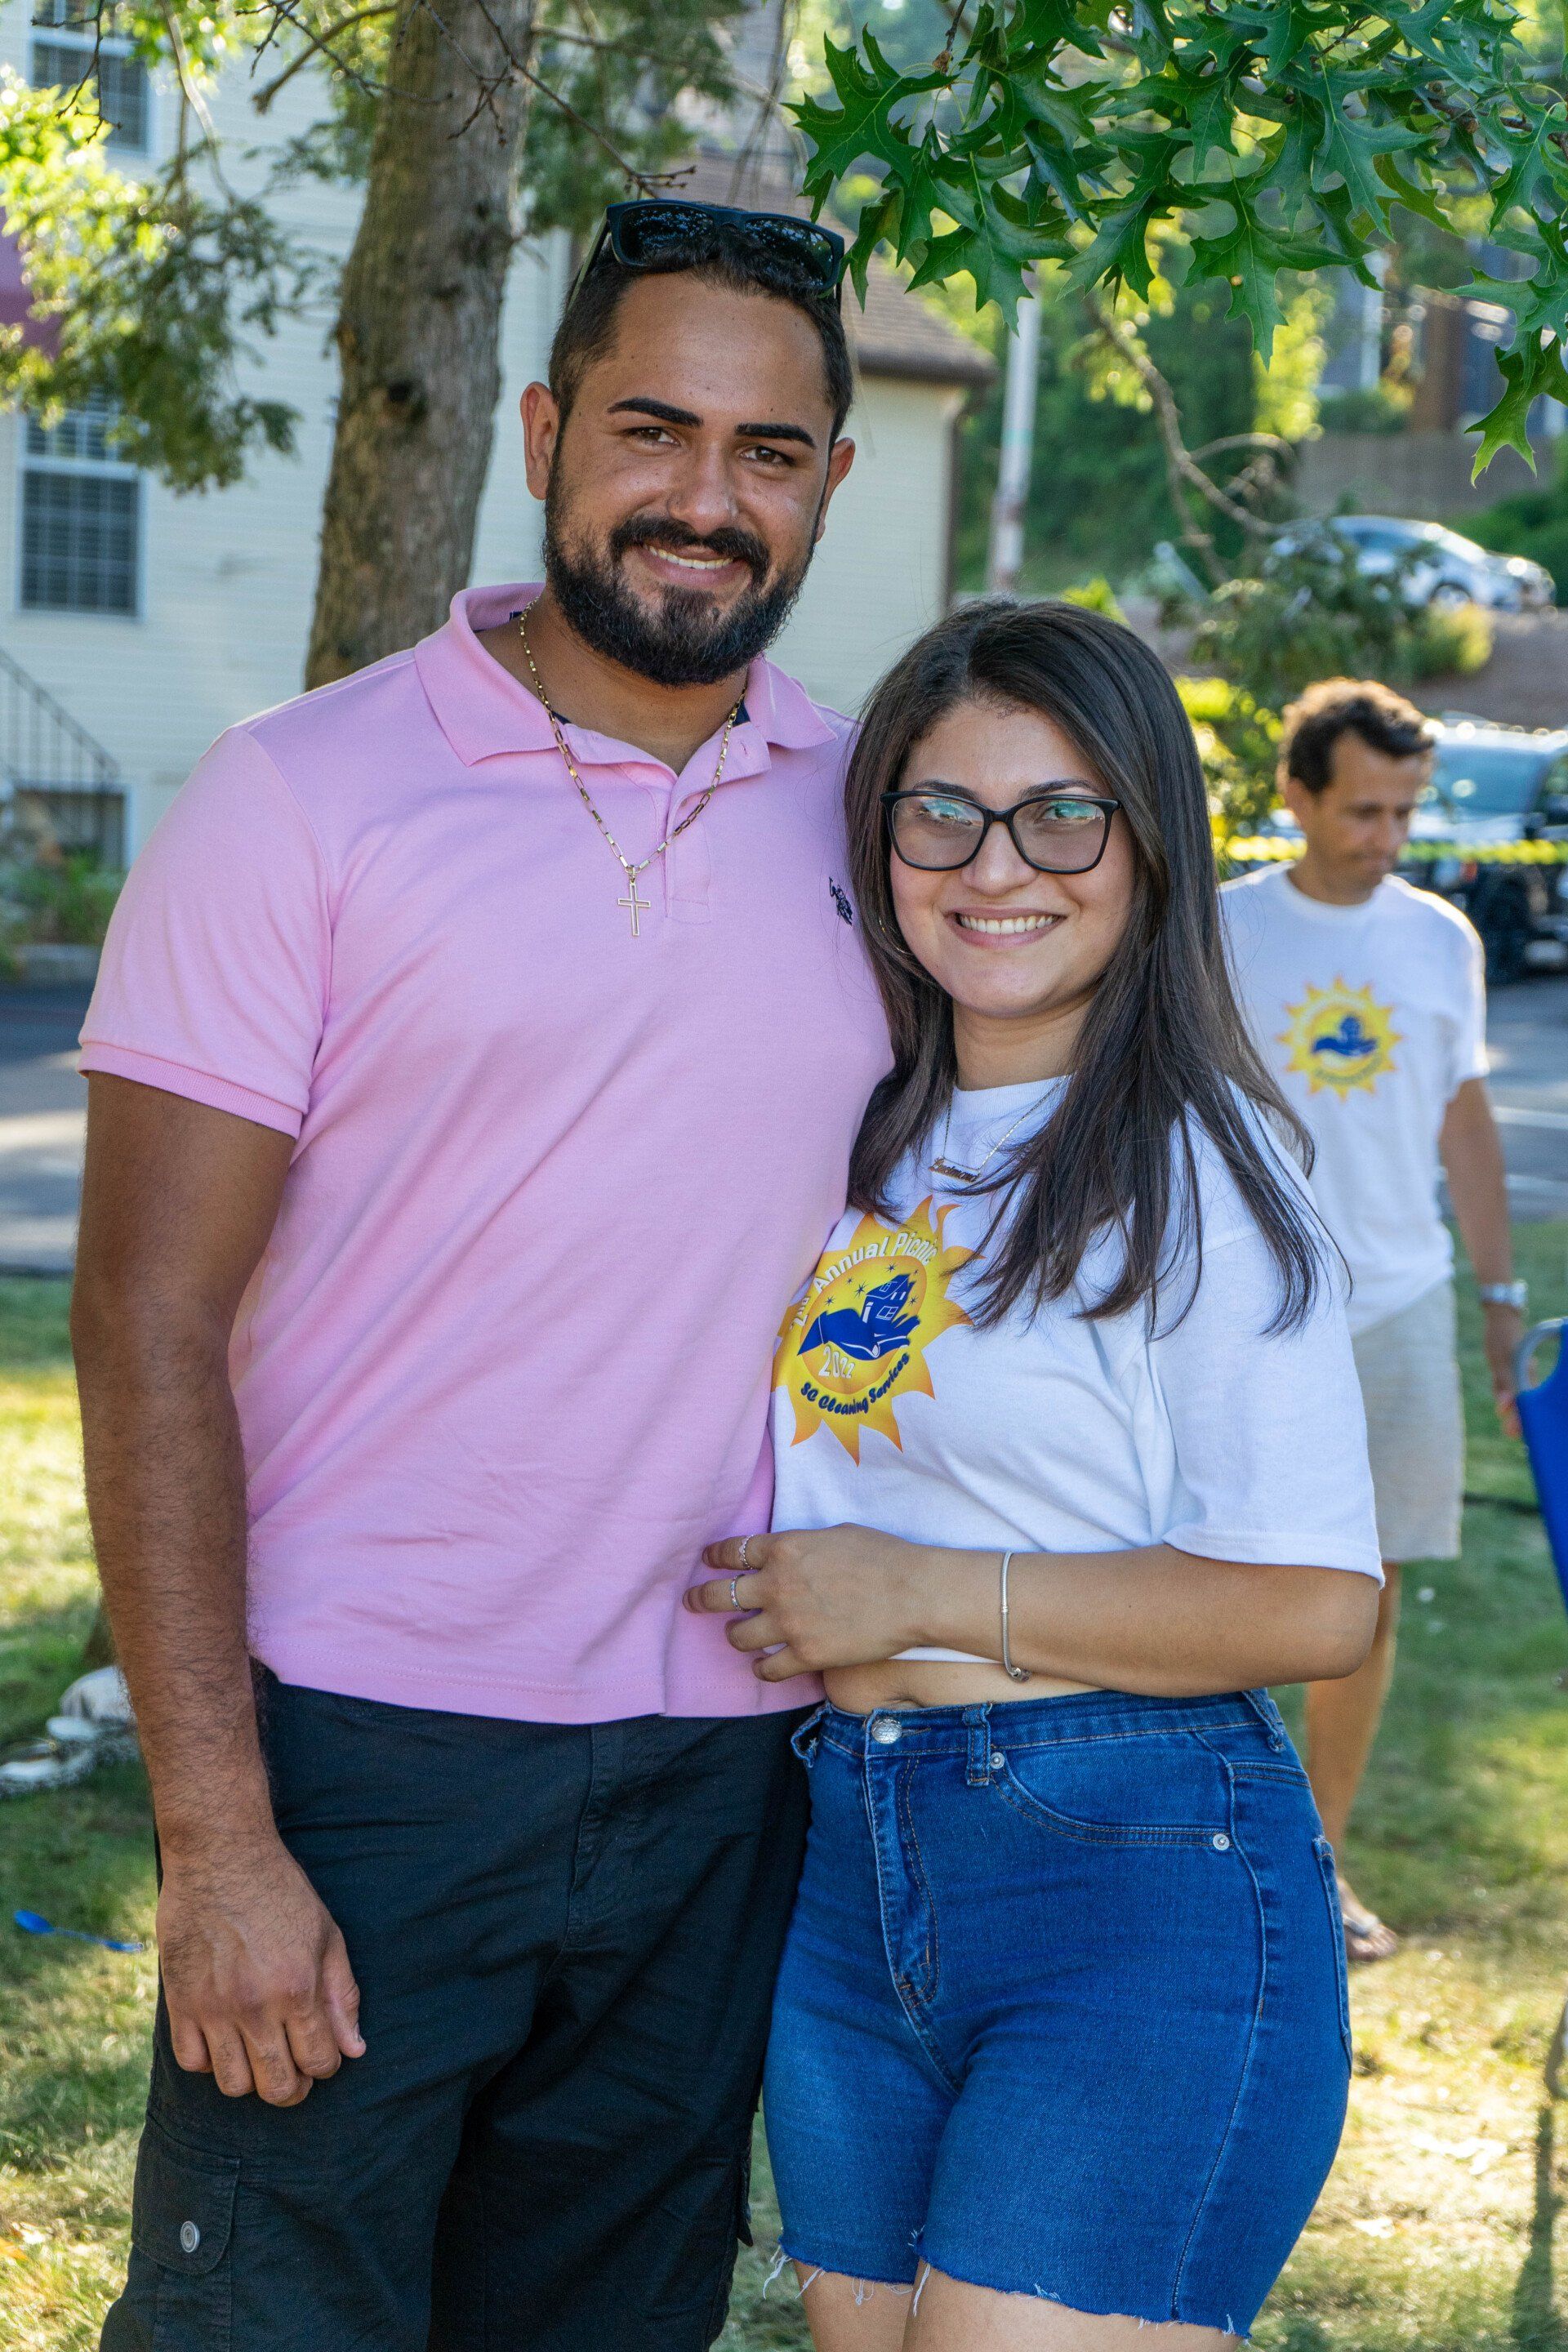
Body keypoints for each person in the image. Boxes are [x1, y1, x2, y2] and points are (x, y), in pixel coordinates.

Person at [74, 199, 889, 2352]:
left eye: (768, 450)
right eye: (652, 428)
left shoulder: (882, 827)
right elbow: (148, 1322)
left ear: (826, 479)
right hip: (358, 1764)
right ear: (546, 430)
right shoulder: (300, 800)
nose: (704, 498)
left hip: (730, 1769)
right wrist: (218, 1838)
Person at [688, 600, 1383, 2350]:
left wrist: (918, 1590)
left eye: (1062, 812)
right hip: (853, 1872)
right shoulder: (864, 1138)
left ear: (1151, 842)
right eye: (943, 811)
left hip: (1132, 1879)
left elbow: (1321, 1601)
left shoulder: (1201, 1177)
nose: (999, 864)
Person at [1221, 679, 1522, 1966]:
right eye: (1362, 810)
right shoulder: (1220, 928)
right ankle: (1215, 1857)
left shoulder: (1442, 935)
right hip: (1247, 1305)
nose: (1387, 835)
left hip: (1401, 1302)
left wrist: (1500, 1298)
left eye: (1405, 811)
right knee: (1222, 1581)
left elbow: (1464, 1118)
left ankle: (1321, 1864)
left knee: (1369, 1597)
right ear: (1296, 793)